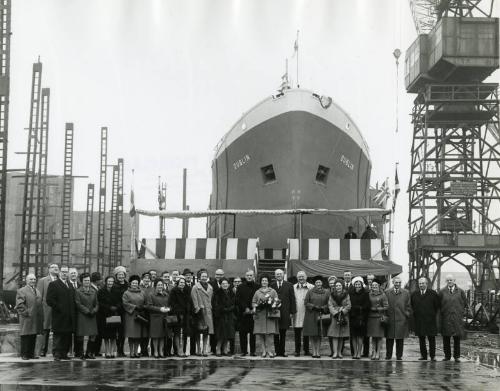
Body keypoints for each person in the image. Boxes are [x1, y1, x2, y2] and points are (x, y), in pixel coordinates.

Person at [46, 265, 76, 361]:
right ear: (59, 273)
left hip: (69, 316)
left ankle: (64, 353)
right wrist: (59, 307)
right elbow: (49, 300)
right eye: (62, 271)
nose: (64, 273)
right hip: (59, 315)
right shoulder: (54, 284)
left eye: (66, 272)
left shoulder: (70, 285)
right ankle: (57, 354)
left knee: (67, 335)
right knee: (58, 335)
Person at [411, 277, 440, 361]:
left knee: (431, 338)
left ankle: (432, 356)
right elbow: (412, 305)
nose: (421, 285)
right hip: (419, 320)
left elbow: (437, 306)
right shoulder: (414, 294)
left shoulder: (433, 293)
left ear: (426, 284)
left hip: (430, 320)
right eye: (420, 283)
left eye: (423, 283)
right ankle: (423, 356)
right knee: (421, 338)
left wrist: (431, 314)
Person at [15, 273, 43, 360]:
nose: (33, 281)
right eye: (31, 279)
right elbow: (19, 304)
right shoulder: (22, 290)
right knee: (26, 336)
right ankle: (24, 354)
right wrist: (27, 313)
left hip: (35, 318)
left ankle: (31, 354)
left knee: (33, 335)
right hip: (27, 318)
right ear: (27, 280)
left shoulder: (37, 291)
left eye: (34, 279)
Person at [439, 274, 466, 362]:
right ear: (446, 281)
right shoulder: (442, 291)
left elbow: (464, 303)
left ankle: (457, 356)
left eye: (451, 280)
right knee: (446, 338)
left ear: (454, 280)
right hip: (446, 317)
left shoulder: (460, 291)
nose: (449, 282)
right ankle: (447, 356)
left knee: (457, 338)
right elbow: (439, 304)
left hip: (457, 318)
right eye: (448, 280)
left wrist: (460, 311)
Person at [270, 269, 296, 357]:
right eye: (277, 274)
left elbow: (292, 299)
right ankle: (277, 351)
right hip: (274, 312)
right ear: (275, 275)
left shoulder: (289, 285)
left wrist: (292, 312)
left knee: (283, 333)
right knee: (275, 332)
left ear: (283, 274)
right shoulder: (272, 285)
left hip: (285, 312)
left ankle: (283, 351)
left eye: (280, 274)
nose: (279, 275)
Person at [252, 275, 279, 358]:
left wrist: (273, 305)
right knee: (261, 334)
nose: (264, 282)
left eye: (266, 280)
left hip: (270, 315)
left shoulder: (273, 291)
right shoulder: (257, 292)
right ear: (260, 282)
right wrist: (256, 306)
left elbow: (277, 301)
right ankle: (263, 351)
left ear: (268, 282)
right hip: (260, 315)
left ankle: (270, 351)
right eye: (263, 280)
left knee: (270, 335)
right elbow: (253, 302)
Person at [303, 276, 329, 358]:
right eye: (317, 282)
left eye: (320, 282)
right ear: (315, 283)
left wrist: (323, 307)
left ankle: (318, 351)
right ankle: (314, 351)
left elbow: (330, 302)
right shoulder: (310, 292)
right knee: (312, 334)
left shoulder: (327, 292)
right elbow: (306, 302)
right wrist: (313, 306)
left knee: (319, 334)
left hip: (321, 315)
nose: (318, 284)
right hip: (311, 314)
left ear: (322, 283)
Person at [385, 276, 411, 360]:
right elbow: (384, 304)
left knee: (400, 339)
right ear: (393, 283)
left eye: (399, 283)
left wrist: (406, 314)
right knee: (389, 338)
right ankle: (388, 355)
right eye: (396, 282)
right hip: (390, 318)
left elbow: (408, 305)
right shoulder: (387, 292)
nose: (398, 284)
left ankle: (399, 356)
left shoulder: (406, 292)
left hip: (401, 318)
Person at [36, 263, 59, 357]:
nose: (55, 269)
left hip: (58, 309)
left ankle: (55, 350)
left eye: (57, 267)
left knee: (57, 330)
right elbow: (39, 296)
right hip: (46, 309)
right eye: (53, 267)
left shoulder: (61, 280)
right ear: (49, 269)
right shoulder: (43, 281)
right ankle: (43, 350)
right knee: (45, 330)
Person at [75, 272, 99, 359]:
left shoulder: (94, 291)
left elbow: (97, 304)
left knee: (93, 335)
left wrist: (94, 310)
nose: (87, 282)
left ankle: (89, 353)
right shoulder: (78, 291)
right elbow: (78, 303)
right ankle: (81, 353)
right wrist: (87, 311)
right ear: (81, 281)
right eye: (85, 280)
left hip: (92, 315)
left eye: (88, 280)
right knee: (81, 335)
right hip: (83, 315)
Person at [122, 275, 147, 358]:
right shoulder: (126, 293)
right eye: (133, 283)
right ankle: (131, 352)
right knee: (131, 335)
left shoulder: (142, 292)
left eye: (136, 283)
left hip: (139, 315)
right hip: (130, 315)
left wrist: (142, 307)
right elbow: (125, 303)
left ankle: (136, 352)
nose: (135, 284)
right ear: (130, 283)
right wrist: (134, 307)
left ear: (138, 283)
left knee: (138, 336)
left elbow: (145, 302)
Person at [168, 275, 193, 357]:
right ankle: (178, 350)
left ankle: (182, 349)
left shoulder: (187, 291)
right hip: (177, 315)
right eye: (181, 282)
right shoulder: (173, 291)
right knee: (177, 333)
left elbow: (189, 302)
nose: (182, 284)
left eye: (184, 282)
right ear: (178, 283)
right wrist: (179, 312)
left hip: (186, 315)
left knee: (184, 334)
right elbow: (172, 304)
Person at [97, 276, 121, 358]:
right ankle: (107, 351)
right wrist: (109, 307)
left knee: (114, 335)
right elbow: (99, 303)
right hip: (105, 315)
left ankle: (112, 351)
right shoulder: (101, 291)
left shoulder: (117, 291)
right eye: (109, 281)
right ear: (106, 282)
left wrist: (116, 307)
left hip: (114, 315)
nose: (110, 283)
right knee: (106, 335)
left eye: (112, 281)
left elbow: (120, 302)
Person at [191, 270, 214, 356]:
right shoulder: (195, 287)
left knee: (206, 331)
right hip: (199, 312)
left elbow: (210, 300)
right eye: (202, 276)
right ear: (199, 277)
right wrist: (197, 309)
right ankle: (198, 349)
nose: (204, 278)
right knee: (198, 331)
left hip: (208, 312)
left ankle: (204, 349)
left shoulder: (210, 287)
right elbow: (194, 299)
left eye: (205, 276)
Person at [236, 270, 259, 357]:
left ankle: (253, 351)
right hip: (243, 314)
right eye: (247, 275)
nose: (249, 277)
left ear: (254, 276)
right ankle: (244, 351)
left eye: (251, 275)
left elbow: (258, 299)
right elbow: (238, 299)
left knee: (253, 334)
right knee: (243, 333)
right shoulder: (240, 287)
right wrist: (245, 307)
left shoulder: (257, 286)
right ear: (245, 276)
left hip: (254, 313)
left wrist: (254, 308)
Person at [146, 280, 171, 358]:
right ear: (155, 285)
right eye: (159, 285)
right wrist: (159, 309)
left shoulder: (166, 295)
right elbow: (149, 306)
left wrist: (168, 309)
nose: (160, 286)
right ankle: (156, 351)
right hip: (155, 317)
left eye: (161, 285)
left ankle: (161, 351)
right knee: (156, 336)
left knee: (163, 336)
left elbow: (169, 304)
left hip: (164, 317)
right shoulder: (151, 295)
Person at [212, 278, 236, 356]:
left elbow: (234, 303)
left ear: (229, 285)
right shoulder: (217, 293)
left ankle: (225, 349)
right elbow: (216, 305)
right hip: (221, 316)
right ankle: (218, 348)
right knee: (220, 334)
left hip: (229, 316)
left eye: (226, 283)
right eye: (223, 283)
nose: (225, 285)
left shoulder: (231, 293)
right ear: (220, 284)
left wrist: (230, 309)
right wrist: (223, 309)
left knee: (228, 334)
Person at [328, 280, 351, 359]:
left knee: (341, 335)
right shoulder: (331, 295)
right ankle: (334, 353)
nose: (338, 287)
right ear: (335, 287)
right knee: (334, 335)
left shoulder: (346, 294)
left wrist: (342, 311)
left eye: (340, 285)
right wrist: (336, 313)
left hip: (344, 316)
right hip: (335, 317)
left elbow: (349, 305)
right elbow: (330, 305)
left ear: (342, 286)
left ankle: (339, 353)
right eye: (337, 286)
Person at [292, 271, 313, 357]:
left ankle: (306, 350)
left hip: (307, 312)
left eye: (302, 276)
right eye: (299, 277)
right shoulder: (293, 287)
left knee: (306, 333)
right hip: (297, 312)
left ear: (306, 277)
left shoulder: (311, 287)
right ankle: (297, 351)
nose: (301, 278)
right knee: (297, 333)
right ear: (297, 278)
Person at [349, 276, 370, 359]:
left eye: (359, 284)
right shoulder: (351, 293)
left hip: (362, 318)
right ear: (354, 285)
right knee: (353, 336)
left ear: (362, 285)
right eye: (356, 284)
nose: (358, 285)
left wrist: (358, 308)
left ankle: (359, 353)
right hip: (352, 317)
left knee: (360, 336)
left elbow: (367, 305)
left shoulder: (365, 293)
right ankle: (355, 353)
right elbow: (349, 304)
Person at [366, 280, 388, 360]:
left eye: (376, 285)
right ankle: (373, 352)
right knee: (373, 337)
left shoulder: (383, 295)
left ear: (378, 286)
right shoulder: (369, 295)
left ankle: (378, 352)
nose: (374, 287)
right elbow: (366, 305)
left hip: (379, 318)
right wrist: (370, 308)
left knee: (379, 337)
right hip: (371, 318)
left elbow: (386, 306)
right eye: (373, 285)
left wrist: (377, 308)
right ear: (371, 286)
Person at [112, 266, 128, 357]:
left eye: (122, 274)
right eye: (119, 274)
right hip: (116, 311)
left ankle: (122, 349)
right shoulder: (113, 285)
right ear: (116, 275)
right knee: (117, 331)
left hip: (126, 311)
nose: (121, 276)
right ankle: (118, 349)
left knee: (124, 331)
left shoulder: (128, 285)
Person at [209, 268, 225, 353]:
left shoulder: (226, 283)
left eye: (221, 275)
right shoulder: (210, 284)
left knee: (222, 331)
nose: (219, 276)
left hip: (223, 311)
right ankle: (213, 348)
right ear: (215, 275)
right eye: (217, 275)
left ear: (223, 275)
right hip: (213, 311)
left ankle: (222, 348)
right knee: (213, 330)